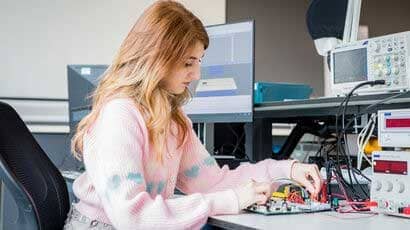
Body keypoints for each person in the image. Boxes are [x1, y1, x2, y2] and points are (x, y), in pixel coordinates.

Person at [64, 1, 322, 229]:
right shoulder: (119, 115)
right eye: (188, 63)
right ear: (156, 58)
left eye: (198, 62)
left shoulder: (173, 121)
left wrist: (287, 169)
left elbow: (214, 182)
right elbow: (133, 218)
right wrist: (228, 200)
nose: (197, 75)